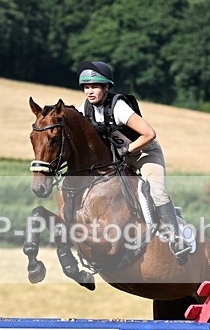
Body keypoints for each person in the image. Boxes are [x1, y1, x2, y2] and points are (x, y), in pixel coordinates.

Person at [76, 60, 190, 264]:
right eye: (86, 87)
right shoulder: (86, 108)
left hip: (145, 153)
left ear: (107, 87)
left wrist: (126, 150)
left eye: (94, 87)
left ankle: (176, 237)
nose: (89, 92)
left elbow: (149, 134)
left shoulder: (118, 107)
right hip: (119, 159)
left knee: (157, 191)